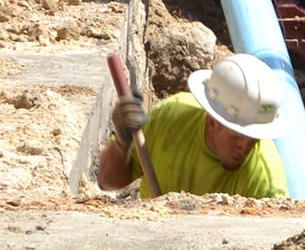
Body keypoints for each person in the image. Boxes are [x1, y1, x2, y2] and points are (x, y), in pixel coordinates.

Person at [97, 53, 290, 199]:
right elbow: (107, 181)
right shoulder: (170, 119)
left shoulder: (266, 183)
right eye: (237, 136)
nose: (245, 147)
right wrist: (122, 144)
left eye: (254, 139)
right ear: (212, 121)